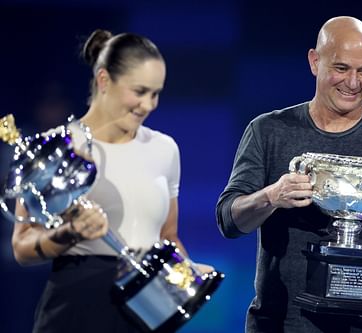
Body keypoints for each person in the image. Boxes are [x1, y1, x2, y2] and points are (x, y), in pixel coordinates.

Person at [216, 16, 362, 333]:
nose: (353, 82)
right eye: (342, 68)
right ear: (314, 61)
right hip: (281, 322)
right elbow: (229, 221)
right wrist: (270, 197)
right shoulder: (268, 131)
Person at [11, 29, 213, 333]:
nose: (149, 105)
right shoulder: (54, 148)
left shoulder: (165, 149)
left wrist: (186, 275)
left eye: (156, 93)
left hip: (143, 311)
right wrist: (70, 234)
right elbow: (22, 245)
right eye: (140, 91)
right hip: (74, 309)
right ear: (104, 80)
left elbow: (167, 237)